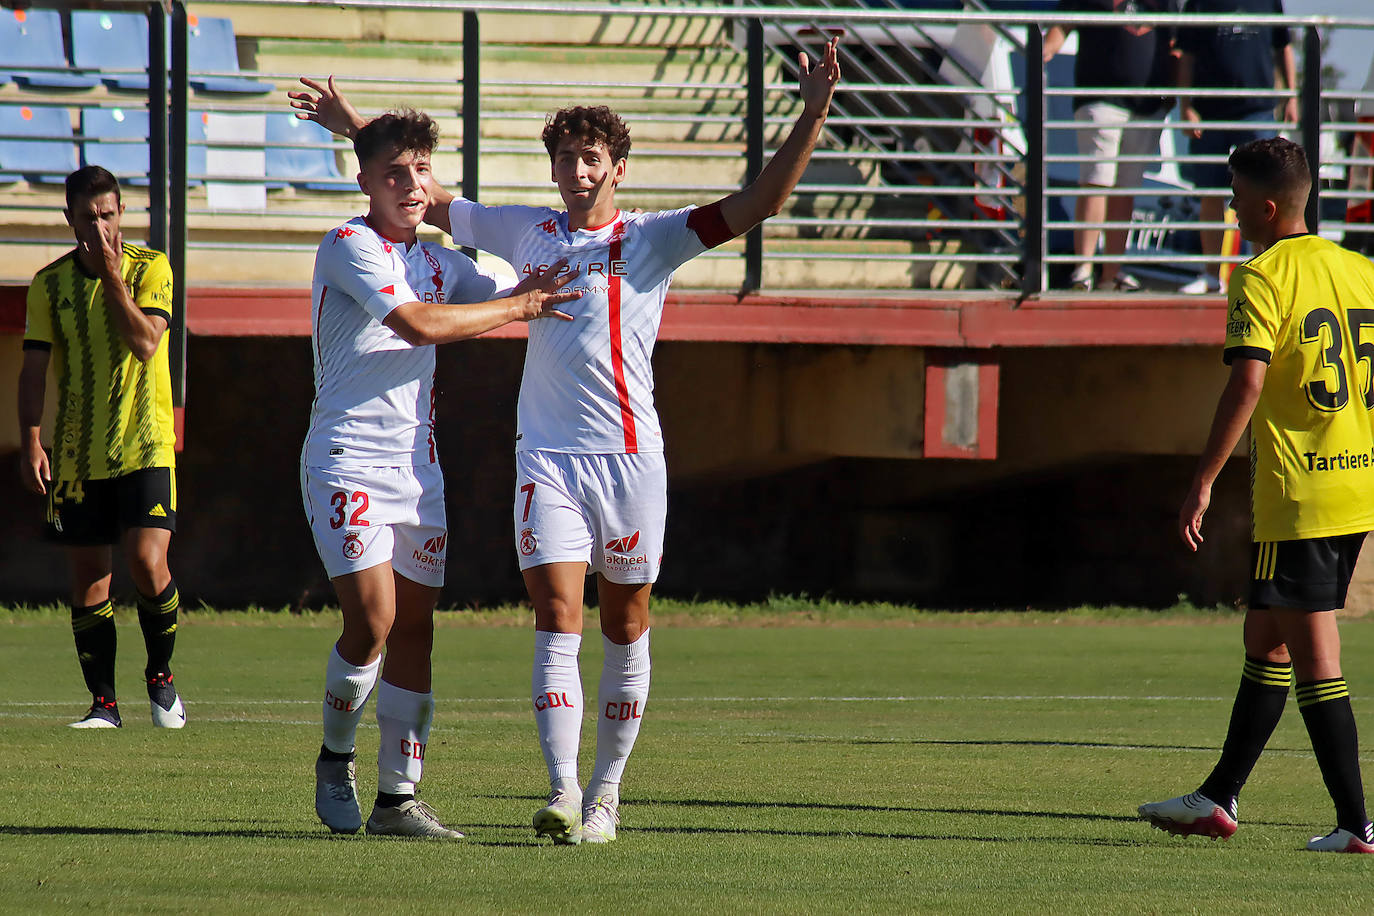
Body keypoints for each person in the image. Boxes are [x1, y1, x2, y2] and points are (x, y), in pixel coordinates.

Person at [290, 37, 841, 844]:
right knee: (544, 614)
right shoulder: (514, 232)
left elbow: (756, 203)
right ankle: (556, 789)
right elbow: (419, 196)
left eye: (592, 159)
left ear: (618, 167)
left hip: (622, 461)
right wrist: (359, 130)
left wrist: (814, 111)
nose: (578, 173)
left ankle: (591, 797)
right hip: (528, 460)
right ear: (552, 169)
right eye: (566, 159)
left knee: (618, 624)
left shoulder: (654, 239)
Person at [302, 110, 578, 838]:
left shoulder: (438, 259)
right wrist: (519, 305)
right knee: (374, 620)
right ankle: (336, 756)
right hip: (346, 460)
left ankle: (398, 800)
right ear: (363, 181)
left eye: (420, 170)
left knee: (417, 630)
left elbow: (510, 283)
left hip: (418, 472)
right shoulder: (348, 244)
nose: (411, 185)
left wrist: (576, 259)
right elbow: (419, 324)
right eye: (393, 173)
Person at [1139, 137, 1374, 853]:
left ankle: (1356, 825)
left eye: (1237, 195)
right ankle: (1217, 797)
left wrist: (1202, 481)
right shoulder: (1359, 270)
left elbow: (1247, 381)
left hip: (1299, 495)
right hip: (1353, 485)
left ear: (1267, 207)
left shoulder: (1261, 275)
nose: (1231, 205)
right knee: (1264, 639)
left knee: (1315, 658)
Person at [18, 166, 185, 731]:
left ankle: (161, 678)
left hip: (145, 445)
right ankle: (104, 706)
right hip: (75, 454)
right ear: (69, 219)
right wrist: (31, 440)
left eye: (108, 215)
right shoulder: (49, 285)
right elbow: (34, 368)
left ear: (121, 214)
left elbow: (144, 343)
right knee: (89, 576)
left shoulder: (150, 267)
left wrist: (113, 275)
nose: (99, 226)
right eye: (87, 217)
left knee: (146, 560)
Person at [1043, 0, 1182, 292]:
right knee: (1097, 182)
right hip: (1101, 97)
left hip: (1147, 104)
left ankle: (1110, 275)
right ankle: (1082, 271)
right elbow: (1063, 23)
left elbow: (1175, 42)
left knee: (1126, 190)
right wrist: (1043, 50)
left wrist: (1177, 90)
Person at [1175, 0, 1297, 294]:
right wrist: (1186, 105)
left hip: (1256, 109)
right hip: (1210, 110)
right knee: (1209, 193)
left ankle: (1264, 271)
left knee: (1264, 190)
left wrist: (1291, 95)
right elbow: (1186, 55)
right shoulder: (1198, 4)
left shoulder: (1268, 2)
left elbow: (1283, 46)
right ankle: (1210, 275)